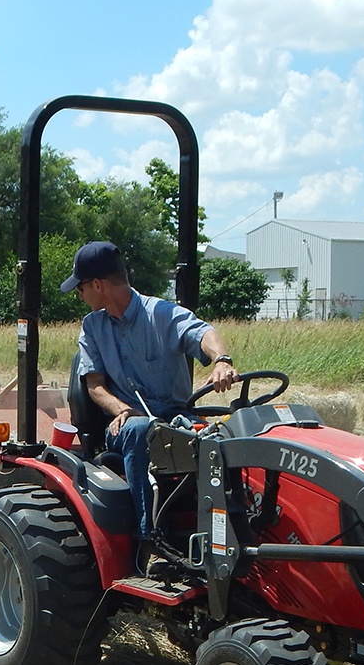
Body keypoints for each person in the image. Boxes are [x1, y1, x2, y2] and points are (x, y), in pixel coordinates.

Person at [63, 240, 237, 561]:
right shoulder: (92, 327)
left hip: (174, 417)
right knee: (142, 430)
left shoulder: (162, 314)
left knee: (222, 434)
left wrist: (222, 360)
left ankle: (232, 532)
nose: (80, 295)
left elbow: (202, 333)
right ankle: (150, 541)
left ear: (98, 285)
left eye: (81, 288)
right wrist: (120, 408)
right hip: (125, 424)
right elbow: (95, 386)